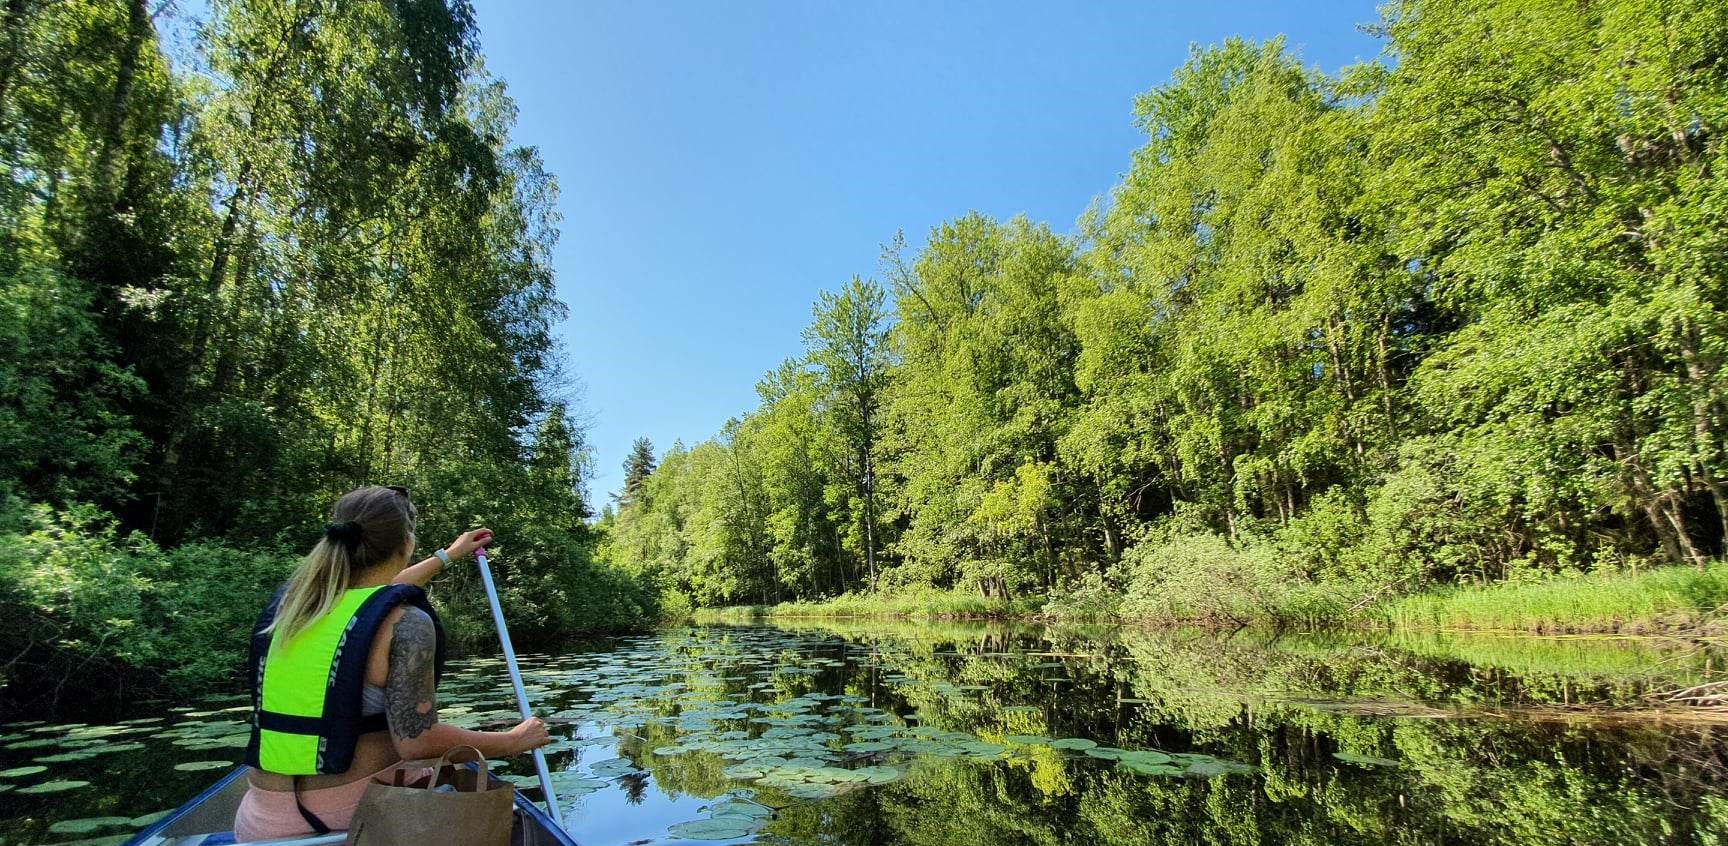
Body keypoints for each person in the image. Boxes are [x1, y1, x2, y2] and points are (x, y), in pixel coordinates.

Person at [234, 485, 553, 840]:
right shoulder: (407, 624)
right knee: (462, 777)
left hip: (260, 821)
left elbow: (382, 590)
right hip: (352, 819)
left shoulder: (297, 605)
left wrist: (450, 554)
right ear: (406, 543)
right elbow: (417, 742)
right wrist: (514, 740)